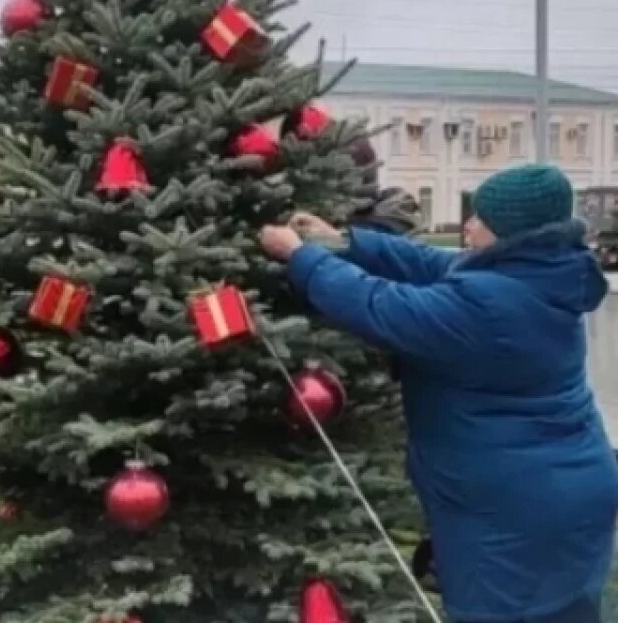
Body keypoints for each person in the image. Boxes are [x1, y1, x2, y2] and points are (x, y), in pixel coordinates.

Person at [258, 163, 618, 623]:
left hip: (515, 513)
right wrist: (342, 241)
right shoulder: (541, 274)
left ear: (511, 234)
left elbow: (379, 305)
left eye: (480, 219)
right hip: (567, 489)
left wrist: (301, 258)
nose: (467, 225)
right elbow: (430, 263)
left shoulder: (488, 306)